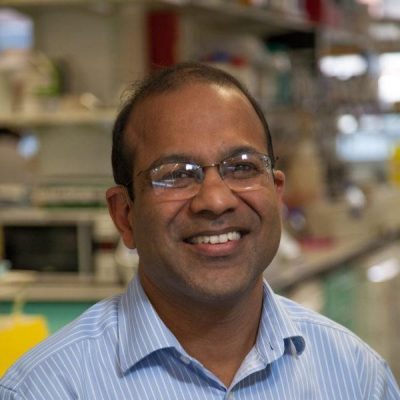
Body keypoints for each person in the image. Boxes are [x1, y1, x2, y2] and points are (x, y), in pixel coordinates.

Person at [0, 62, 399, 399]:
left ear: (276, 194)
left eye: (241, 166)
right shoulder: (46, 389)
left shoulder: (357, 377)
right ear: (125, 215)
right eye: (176, 174)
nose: (216, 200)